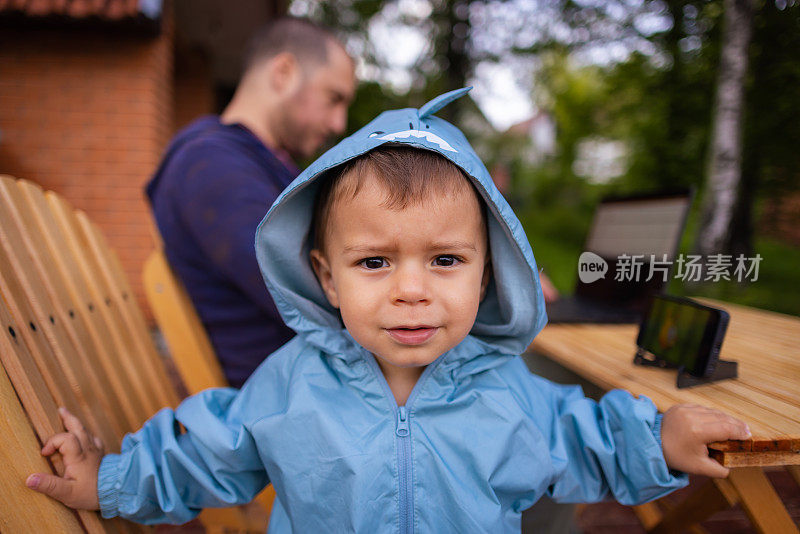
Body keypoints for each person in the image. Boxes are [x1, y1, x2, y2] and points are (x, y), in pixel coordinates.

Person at [27, 89, 750, 532]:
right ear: (327, 277)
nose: (412, 290)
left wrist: (660, 440)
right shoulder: (291, 382)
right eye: (375, 262)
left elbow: (584, 436)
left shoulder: (505, 389)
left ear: (487, 272)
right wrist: (108, 480)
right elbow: (202, 452)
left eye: (445, 260)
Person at [146, 16, 356, 387]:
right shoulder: (211, 165)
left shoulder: (256, 164)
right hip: (286, 406)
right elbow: (311, 295)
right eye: (333, 98)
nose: (339, 122)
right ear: (284, 72)